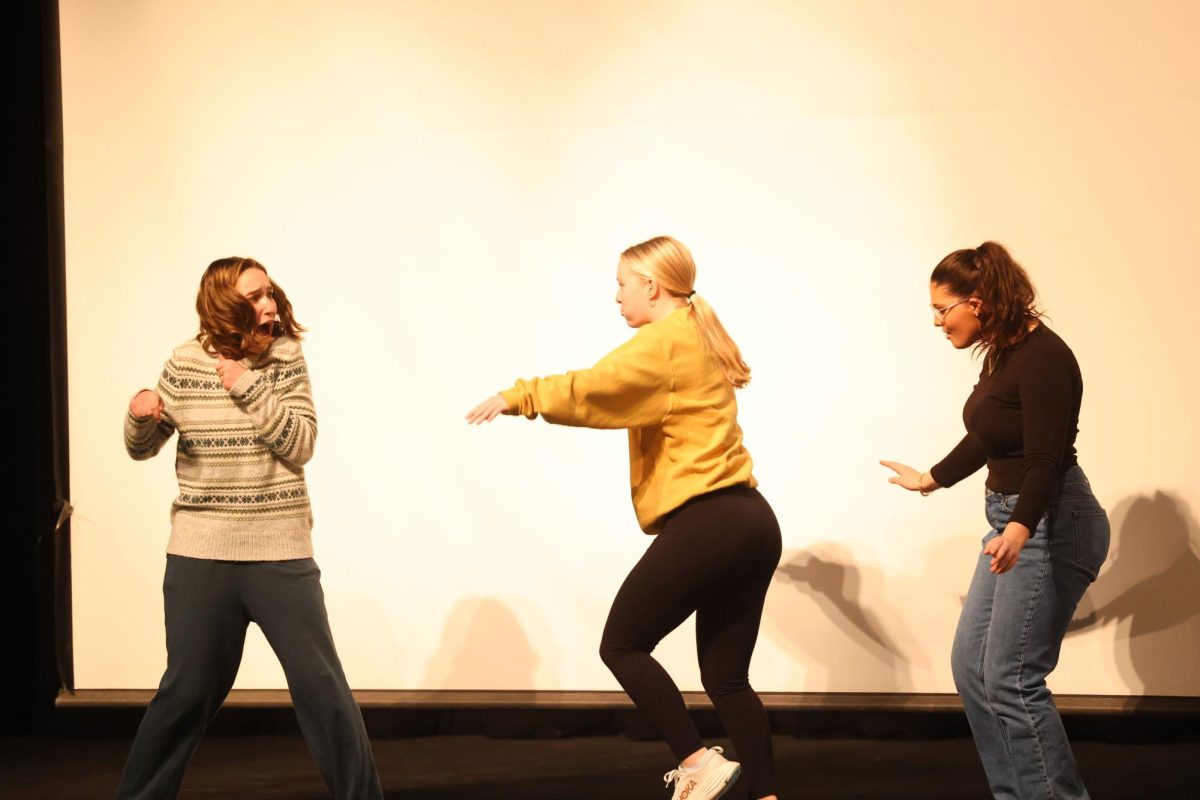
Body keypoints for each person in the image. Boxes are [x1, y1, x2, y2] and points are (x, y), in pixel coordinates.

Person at [467, 236, 781, 800]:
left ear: (652, 287)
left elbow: (592, 388)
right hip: (753, 521)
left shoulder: (664, 340)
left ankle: (697, 764)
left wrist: (521, 397)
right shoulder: (698, 333)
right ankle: (767, 794)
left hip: (710, 519)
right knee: (726, 679)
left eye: (622, 284)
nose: (616, 297)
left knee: (622, 644)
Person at [116, 257, 382, 800]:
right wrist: (141, 416)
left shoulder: (284, 359)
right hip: (199, 554)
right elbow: (142, 450)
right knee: (187, 692)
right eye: (255, 299)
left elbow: (301, 443)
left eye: (270, 295)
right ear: (224, 309)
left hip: (278, 552)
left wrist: (249, 387)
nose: (269, 307)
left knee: (320, 688)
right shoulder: (185, 364)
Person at [881, 241, 1110, 799]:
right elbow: (989, 434)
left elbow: (1044, 461)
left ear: (978, 302)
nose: (937, 322)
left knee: (1011, 677)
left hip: (1051, 520)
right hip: (1015, 520)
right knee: (972, 670)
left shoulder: (1046, 358)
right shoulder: (1003, 353)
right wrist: (932, 478)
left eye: (943, 309)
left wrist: (1021, 528)